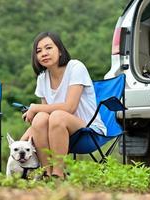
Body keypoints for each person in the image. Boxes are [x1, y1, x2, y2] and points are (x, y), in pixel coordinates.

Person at [20, 31, 107, 179]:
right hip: (56, 134)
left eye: (48, 48)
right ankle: (46, 173)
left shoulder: (75, 67)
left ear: (60, 50)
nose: (44, 53)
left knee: (57, 115)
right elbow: (44, 117)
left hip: (87, 130)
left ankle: (59, 174)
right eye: (38, 51)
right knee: (41, 117)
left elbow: (70, 107)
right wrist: (21, 142)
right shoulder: (42, 78)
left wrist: (34, 107)